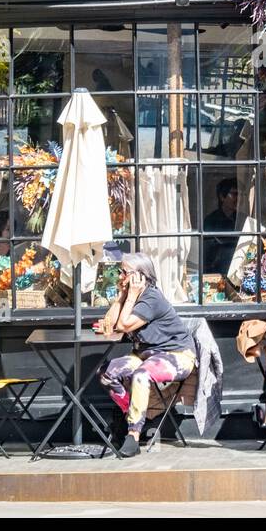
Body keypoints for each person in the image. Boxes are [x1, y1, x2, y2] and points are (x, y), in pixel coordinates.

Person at [97, 251, 197, 457]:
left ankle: (133, 434)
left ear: (139, 276)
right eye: (119, 271)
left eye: (123, 272)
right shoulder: (131, 297)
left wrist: (131, 296)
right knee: (107, 373)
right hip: (146, 355)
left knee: (142, 374)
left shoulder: (151, 297)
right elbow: (111, 326)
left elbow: (123, 325)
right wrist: (123, 296)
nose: (119, 276)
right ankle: (130, 414)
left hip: (176, 354)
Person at [201, 177, 241, 272]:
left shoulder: (241, 219)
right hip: (217, 270)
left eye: (239, 194)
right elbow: (208, 250)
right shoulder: (211, 220)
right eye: (234, 194)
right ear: (222, 197)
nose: (238, 198)